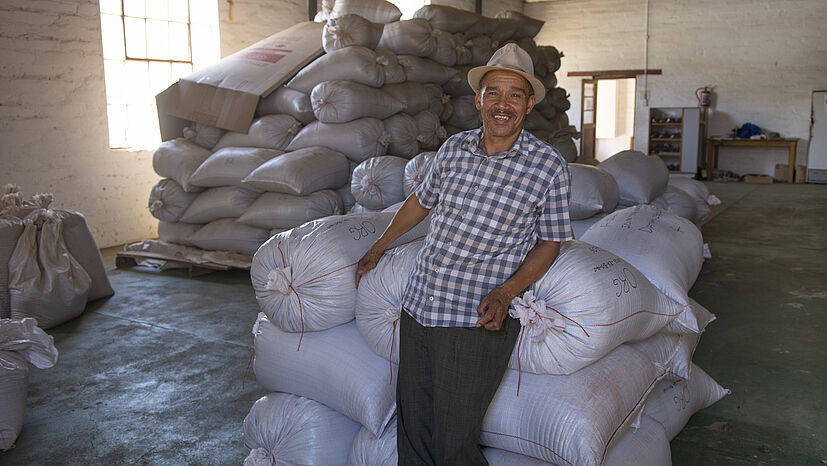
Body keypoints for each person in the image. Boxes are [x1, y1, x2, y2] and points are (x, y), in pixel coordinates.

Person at [355, 43, 572, 465]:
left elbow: (550, 242)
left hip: (474, 317)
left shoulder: (548, 167)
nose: (502, 104)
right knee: (413, 433)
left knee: (454, 443)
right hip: (420, 305)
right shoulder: (454, 149)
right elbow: (422, 200)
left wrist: (507, 293)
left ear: (529, 104)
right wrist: (379, 245)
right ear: (479, 99)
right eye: (493, 93)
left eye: (514, 95)